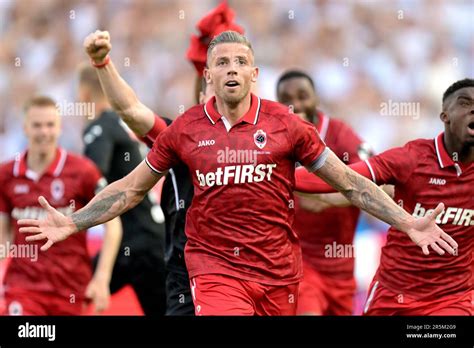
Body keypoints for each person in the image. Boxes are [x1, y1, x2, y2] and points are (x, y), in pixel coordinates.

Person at [18, 32, 457, 316]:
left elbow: (349, 183)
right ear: (208, 75)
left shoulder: (286, 125)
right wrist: (74, 221)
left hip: (279, 274)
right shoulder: (185, 129)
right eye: (222, 61)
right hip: (214, 269)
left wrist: (407, 221)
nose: (231, 68)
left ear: (253, 73)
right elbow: (131, 190)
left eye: (239, 61)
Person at [295, 78, 474, 315]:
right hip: (394, 294)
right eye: (465, 103)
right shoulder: (412, 158)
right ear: (444, 116)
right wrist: (282, 175)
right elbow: (349, 178)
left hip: (453, 298)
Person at [82, 29, 215, 315]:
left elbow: (90, 178)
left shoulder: (264, 148)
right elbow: (131, 110)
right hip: (181, 268)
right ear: (201, 97)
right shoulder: (180, 138)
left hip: (242, 276)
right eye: (212, 86)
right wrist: (103, 64)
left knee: (69, 285)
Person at [0, 96, 121, 315]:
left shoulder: (83, 171)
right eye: (37, 125)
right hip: (23, 288)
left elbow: (113, 226)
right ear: (25, 128)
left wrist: (102, 279)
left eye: (50, 125)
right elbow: (3, 237)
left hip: (71, 289)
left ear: (60, 128)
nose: (44, 132)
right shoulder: (6, 175)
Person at [276, 70, 372, 315]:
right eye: (286, 100)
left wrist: (328, 198)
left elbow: (382, 186)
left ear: (316, 98)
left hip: (343, 267)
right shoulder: (272, 141)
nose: (295, 105)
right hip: (299, 261)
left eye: (302, 96)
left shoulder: (341, 135)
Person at [77, 64, 168, 316]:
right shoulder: (126, 128)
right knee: (74, 290)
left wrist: (68, 213)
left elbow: (91, 175)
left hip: (136, 243)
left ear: (84, 93)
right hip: (149, 239)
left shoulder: (100, 127)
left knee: (70, 289)